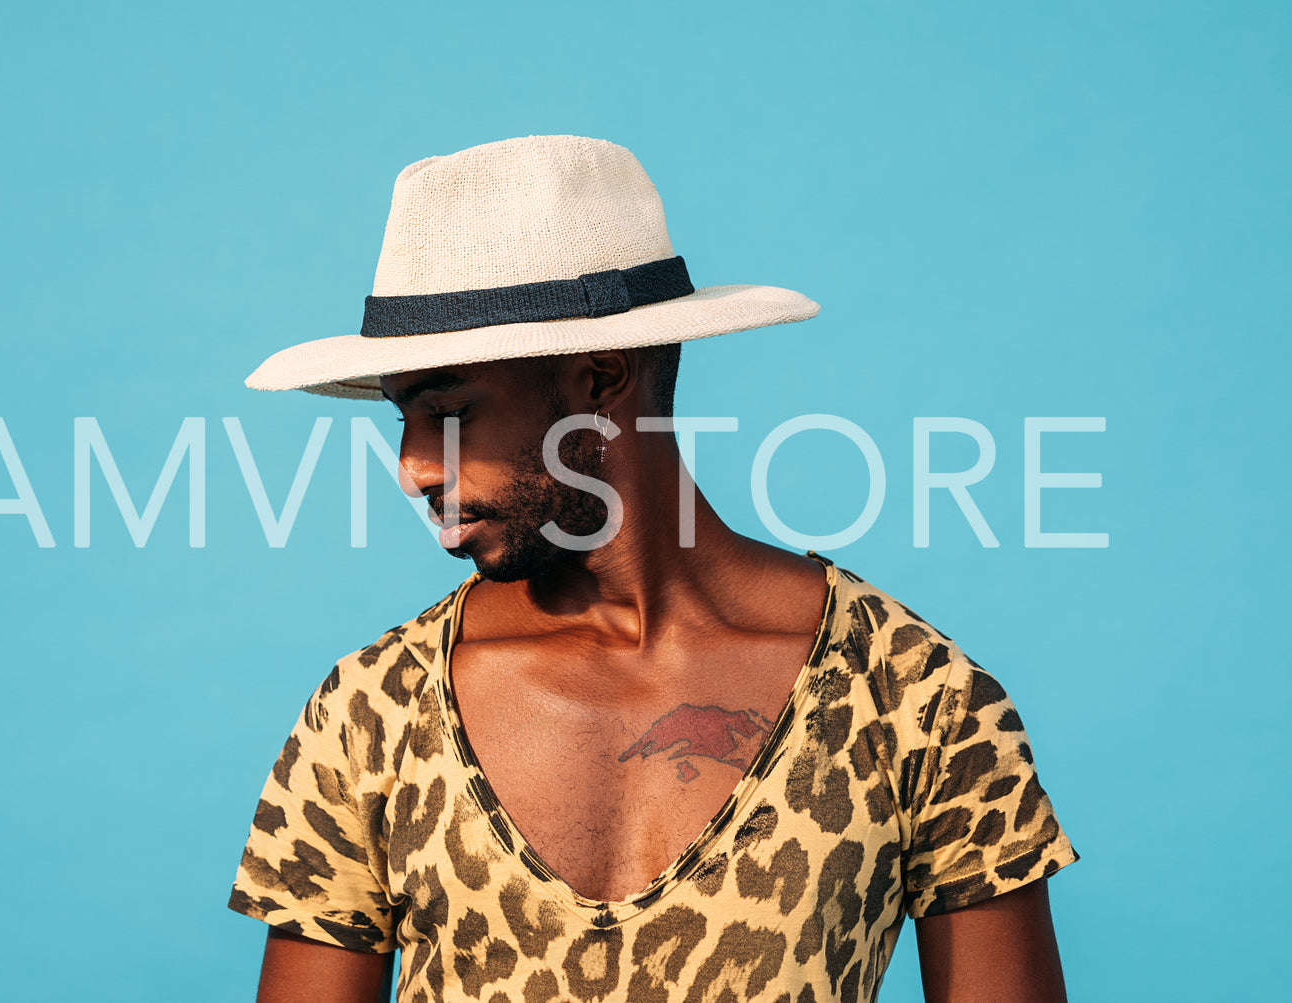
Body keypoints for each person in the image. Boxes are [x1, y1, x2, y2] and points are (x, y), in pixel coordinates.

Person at [228, 135, 1077, 1003]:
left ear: (599, 379)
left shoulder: (911, 698)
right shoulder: (374, 711)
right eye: (402, 420)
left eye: (446, 411)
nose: (414, 466)